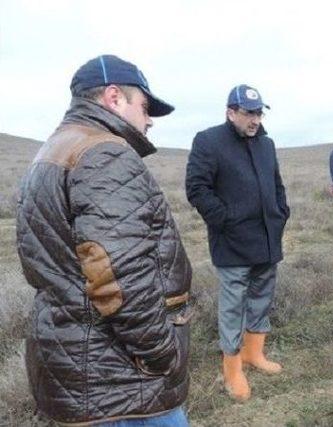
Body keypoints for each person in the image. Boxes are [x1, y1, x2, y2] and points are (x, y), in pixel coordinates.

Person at [16, 55, 192, 426]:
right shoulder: (105, 154)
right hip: (123, 383)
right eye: (145, 107)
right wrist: (160, 353)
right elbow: (118, 274)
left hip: (79, 368)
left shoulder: (53, 151)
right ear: (114, 97)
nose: (150, 120)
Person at [185, 84, 289, 402]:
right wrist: (225, 220)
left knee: (261, 296)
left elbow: (276, 184)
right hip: (232, 242)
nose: (254, 120)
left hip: (267, 238)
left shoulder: (266, 144)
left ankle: (253, 354)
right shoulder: (209, 141)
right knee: (233, 306)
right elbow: (197, 188)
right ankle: (232, 368)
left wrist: (280, 213)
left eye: (258, 113)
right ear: (231, 113)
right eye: (248, 113)